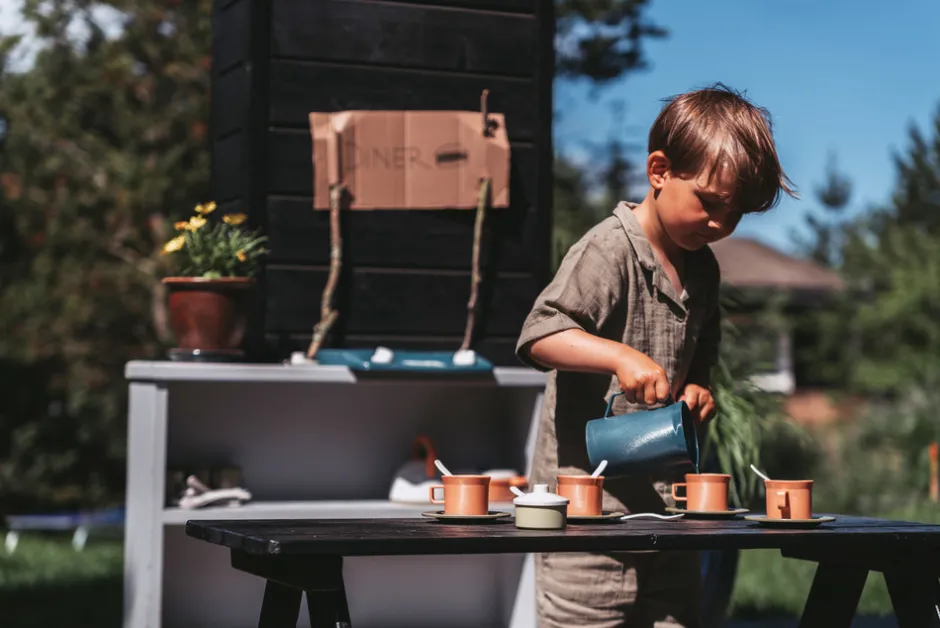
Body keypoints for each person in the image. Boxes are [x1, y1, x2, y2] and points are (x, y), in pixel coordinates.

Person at [515, 83, 796, 628]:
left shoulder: (703, 268)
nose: (720, 224)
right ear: (660, 172)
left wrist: (697, 386)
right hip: (588, 524)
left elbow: (701, 350)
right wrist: (620, 356)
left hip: (668, 517)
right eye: (710, 204)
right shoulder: (609, 249)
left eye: (735, 214)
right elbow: (539, 333)